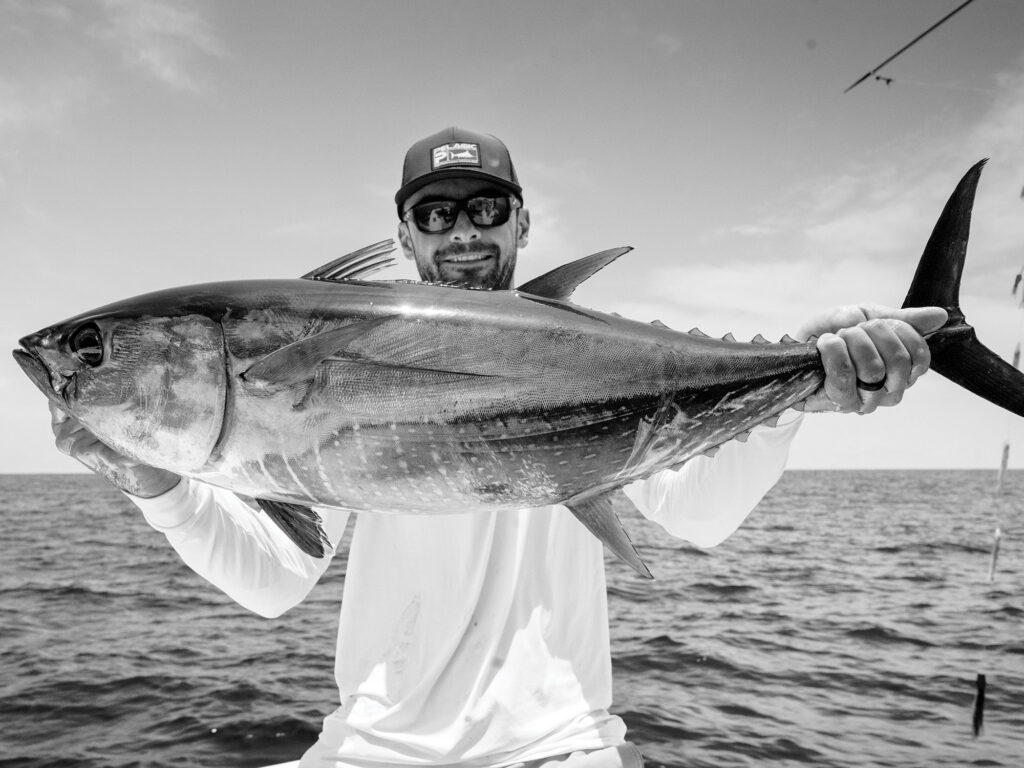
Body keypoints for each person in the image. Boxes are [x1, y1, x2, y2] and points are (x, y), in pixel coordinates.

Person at [50, 127, 946, 768]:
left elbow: (704, 516)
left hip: (561, 746)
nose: (464, 231)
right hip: (372, 748)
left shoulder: (588, 345)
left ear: (523, 224)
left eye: (486, 208)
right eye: (434, 215)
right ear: (404, 236)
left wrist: (808, 386)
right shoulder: (310, 402)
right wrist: (151, 478)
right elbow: (274, 583)